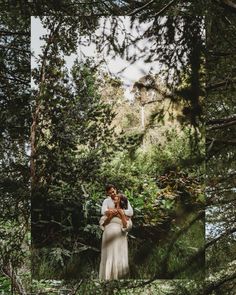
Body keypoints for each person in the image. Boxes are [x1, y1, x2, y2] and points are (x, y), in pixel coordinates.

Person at [99, 185, 133, 280]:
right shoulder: (106, 201)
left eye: (113, 192)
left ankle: (119, 276)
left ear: (115, 190)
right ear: (107, 193)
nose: (112, 194)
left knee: (119, 253)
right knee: (109, 253)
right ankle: (107, 276)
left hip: (120, 231)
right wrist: (111, 212)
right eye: (110, 193)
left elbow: (130, 212)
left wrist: (120, 212)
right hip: (109, 231)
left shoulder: (122, 199)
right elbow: (103, 211)